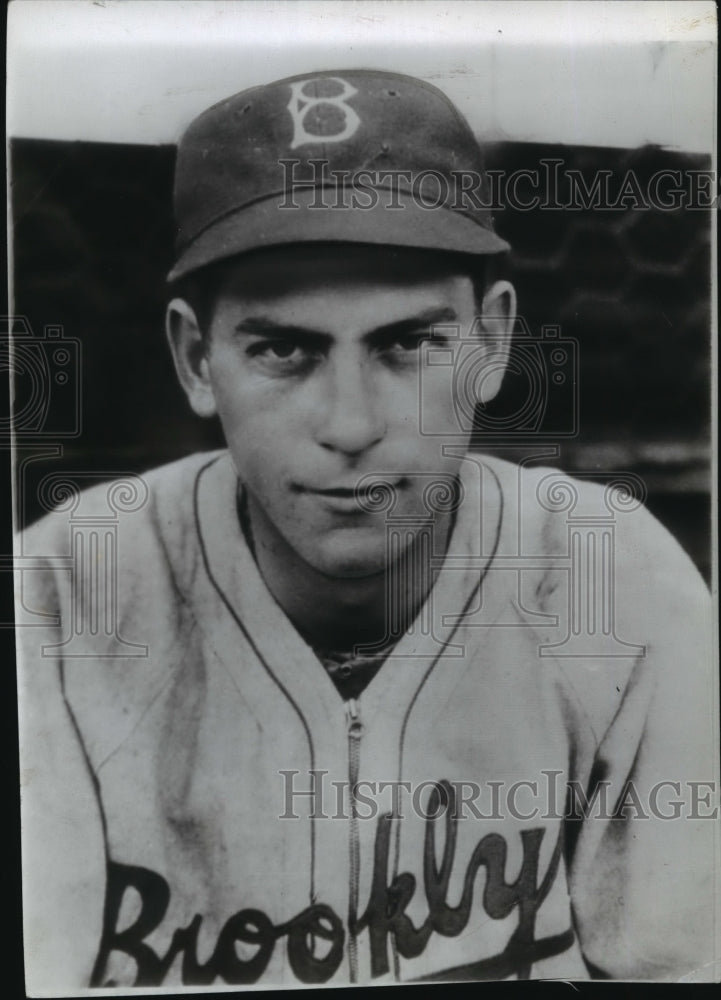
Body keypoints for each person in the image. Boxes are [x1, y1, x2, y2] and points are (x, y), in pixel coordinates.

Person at [16, 70, 717, 991]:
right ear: (195, 358)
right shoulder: (63, 592)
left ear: (492, 344)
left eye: (408, 345)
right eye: (283, 350)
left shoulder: (613, 579)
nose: (349, 425)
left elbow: (682, 969)